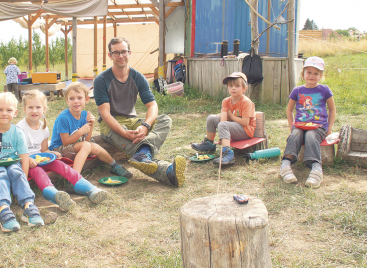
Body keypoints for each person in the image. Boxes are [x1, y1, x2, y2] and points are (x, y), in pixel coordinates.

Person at [93, 37, 186, 187]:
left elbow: (152, 106)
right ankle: (168, 172)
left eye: (123, 52)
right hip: (110, 123)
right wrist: (124, 133)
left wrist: (146, 126)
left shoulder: (138, 77)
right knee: (135, 147)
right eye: (116, 53)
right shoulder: (101, 80)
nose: (120, 56)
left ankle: (144, 153)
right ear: (110, 55)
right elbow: (105, 114)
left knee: (165, 120)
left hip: (132, 120)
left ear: (129, 53)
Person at [17, 90, 108, 207]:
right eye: (30, 107)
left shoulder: (43, 127)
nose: (34, 111)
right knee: (39, 173)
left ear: (44, 109)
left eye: (38, 107)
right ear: (24, 109)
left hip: (41, 159)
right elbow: (16, 152)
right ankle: (54, 195)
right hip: (27, 162)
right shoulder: (20, 128)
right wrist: (28, 159)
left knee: (62, 166)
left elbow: (44, 150)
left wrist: (52, 153)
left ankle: (90, 189)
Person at [0, 92, 43, 232]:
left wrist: (23, 180)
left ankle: (28, 205)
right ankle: (3, 209)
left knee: (16, 171)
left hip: (13, 164)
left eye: (9, 110)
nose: (4, 113)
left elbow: (24, 158)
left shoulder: (18, 133)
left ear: (16, 112)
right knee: (0, 173)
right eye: (0, 110)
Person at [49, 81, 132, 181]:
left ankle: (114, 165)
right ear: (67, 101)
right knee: (86, 145)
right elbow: (65, 142)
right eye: (72, 98)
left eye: (79, 98)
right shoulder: (63, 118)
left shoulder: (85, 115)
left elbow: (86, 140)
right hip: (58, 150)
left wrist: (91, 124)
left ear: (87, 99)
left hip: (75, 146)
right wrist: (80, 132)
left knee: (94, 146)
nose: (76, 101)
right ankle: (73, 179)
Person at [279, 56, 336, 188]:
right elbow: (289, 110)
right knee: (296, 134)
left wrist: (329, 129)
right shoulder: (297, 91)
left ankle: (316, 167)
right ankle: (286, 164)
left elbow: (332, 109)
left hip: (319, 126)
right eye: (309, 72)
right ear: (303, 73)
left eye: (316, 73)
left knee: (311, 135)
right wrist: (291, 126)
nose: (312, 76)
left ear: (321, 75)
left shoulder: (324, 90)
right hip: (300, 125)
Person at [191, 72, 256, 165]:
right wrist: (222, 136)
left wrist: (232, 116)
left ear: (244, 88)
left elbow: (245, 122)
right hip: (232, 127)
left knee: (223, 124)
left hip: (245, 131)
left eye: (237, 86)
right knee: (211, 118)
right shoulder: (226, 101)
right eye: (231, 85)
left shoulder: (246, 102)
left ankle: (228, 154)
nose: (233, 88)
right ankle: (209, 144)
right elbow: (223, 119)